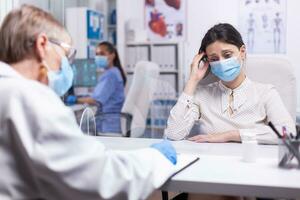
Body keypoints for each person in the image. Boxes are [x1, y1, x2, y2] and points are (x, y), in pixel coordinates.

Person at [0, 5, 178, 199]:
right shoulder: (31, 99)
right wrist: (156, 158)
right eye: (65, 54)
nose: (65, 64)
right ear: (42, 44)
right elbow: (102, 178)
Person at [165, 23, 295, 144]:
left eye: (227, 55)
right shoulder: (201, 94)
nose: (221, 62)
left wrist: (230, 135)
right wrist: (192, 80)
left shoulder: (265, 93)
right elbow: (173, 134)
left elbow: (288, 133)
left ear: (242, 52)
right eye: (214, 59)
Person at [67, 42, 126, 133]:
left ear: (112, 55)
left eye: (102, 54)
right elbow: (99, 96)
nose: (98, 57)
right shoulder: (112, 72)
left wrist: (75, 99)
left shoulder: (111, 75)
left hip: (108, 125)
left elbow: (96, 100)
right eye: (97, 54)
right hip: (108, 121)